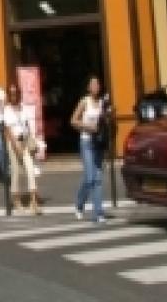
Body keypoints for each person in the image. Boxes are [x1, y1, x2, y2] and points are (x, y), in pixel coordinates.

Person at [71, 76, 109, 224]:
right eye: (93, 84)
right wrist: (88, 127)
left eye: (97, 83)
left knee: (97, 179)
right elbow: (73, 120)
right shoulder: (84, 102)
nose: (96, 86)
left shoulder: (102, 103)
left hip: (98, 143)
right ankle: (79, 204)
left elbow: (105, 122)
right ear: (88, 87)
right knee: (90, 178)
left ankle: (98, 213)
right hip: (86, 141)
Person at [3, 84, 41, 215]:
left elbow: (27, 126)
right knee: (16, 171)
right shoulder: (7, 110)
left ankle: (33, 201)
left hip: (25, 141)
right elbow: (8, 130)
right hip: (14, 143)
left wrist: (31, 141)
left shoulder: (23, 107)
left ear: (19, 94)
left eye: (15, 93)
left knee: (30, 169)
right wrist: (16, 146)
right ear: (9, 95)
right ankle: (16, 200)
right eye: (11, 93)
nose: (14, 96)